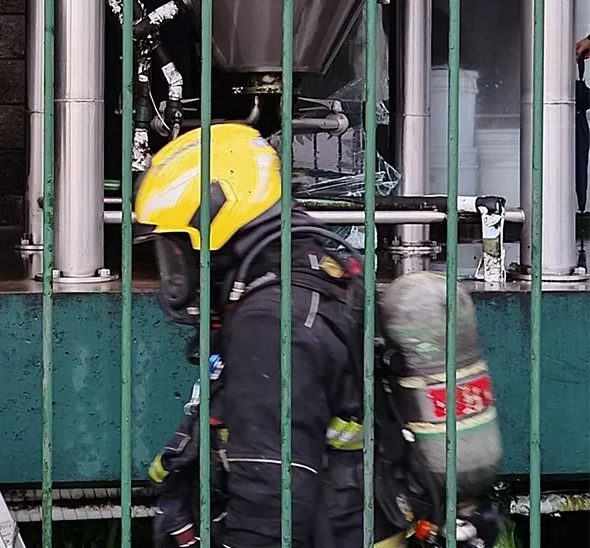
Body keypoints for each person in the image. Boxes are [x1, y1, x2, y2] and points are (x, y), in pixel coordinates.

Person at [133, 123, 502, 548]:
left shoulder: (272, 320)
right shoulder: (312, 270)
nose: (171, 272)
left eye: (174, 249)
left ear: (216, 215)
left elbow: (271, 494)